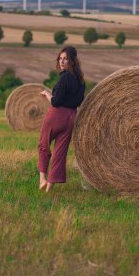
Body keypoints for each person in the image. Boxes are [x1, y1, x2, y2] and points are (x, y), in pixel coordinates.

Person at [37, 46, 85, 192]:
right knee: (60, 153)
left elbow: (56, 101)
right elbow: (78, 101)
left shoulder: (64, 77)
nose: (62, 61)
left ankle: (42, 179)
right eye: (60, 58)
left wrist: (47, 94)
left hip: (56, 115)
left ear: (72, 61)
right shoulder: (81, 81)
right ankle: (49, 188)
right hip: (71, 118)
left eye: (65, 59)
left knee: (43, 145)